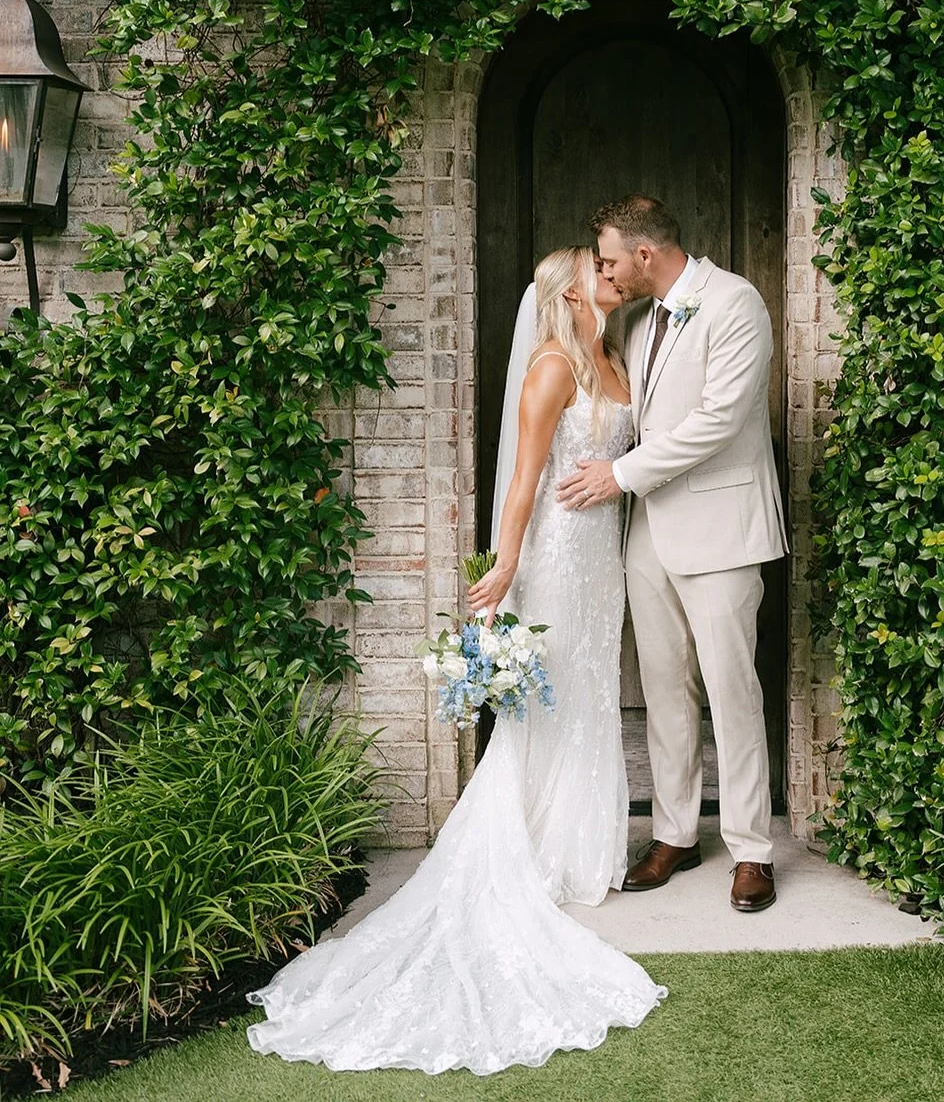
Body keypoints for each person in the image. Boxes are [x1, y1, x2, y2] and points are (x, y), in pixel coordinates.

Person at [246, 247, 665, 1075]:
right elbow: (523, 482)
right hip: (555, 555)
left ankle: (584, 848)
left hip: (603, 560)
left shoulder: (617, 357)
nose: (612, 275)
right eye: (597, 269)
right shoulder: (551, 367)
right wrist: (504, 568)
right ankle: (535, 847)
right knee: (549, 698)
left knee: (588, 690)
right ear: (569, 292)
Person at [558, 194, 787, 914]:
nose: (605, 273)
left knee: (731, 689)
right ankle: (676, 833)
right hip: (649, 532)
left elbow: (719, 419)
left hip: (721, 528)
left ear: (644, 254)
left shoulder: (735, 303)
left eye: (609, 261)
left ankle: (750, 849)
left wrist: (619, 474)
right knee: (663, 688)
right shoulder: (639, 320)